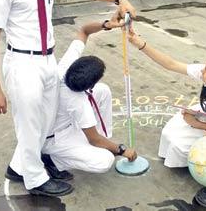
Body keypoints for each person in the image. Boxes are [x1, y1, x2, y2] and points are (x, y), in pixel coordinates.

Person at [0, 0, 136, 196]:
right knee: (29, 125)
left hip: (47, 59)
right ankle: (35, 180)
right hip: (22, 63)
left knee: (44, 121)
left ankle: (18, 167)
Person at [127, 30, 206, 168]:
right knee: (169, 132)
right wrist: (140, 44)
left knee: (178, 145)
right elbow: (171, 64)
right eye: (205, 67)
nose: (201, 71)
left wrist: (196, 123)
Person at [41, 12, 137, 177]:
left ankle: (103, 138)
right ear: (89, 84)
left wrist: (107, 24)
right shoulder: (78, 102)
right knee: (105, 160)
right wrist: (121, 150)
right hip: (53, 138)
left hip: (58, 122)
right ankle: (53, 161)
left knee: (103, 90)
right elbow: (93, 139)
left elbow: (84, 30)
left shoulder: (64, 68)